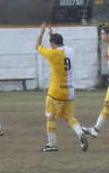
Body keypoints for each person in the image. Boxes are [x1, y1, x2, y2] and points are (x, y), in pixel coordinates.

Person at [35, 22, 88, 152]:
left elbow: (37, 46)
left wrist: (42, 32)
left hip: (56, 91)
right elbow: (59, 47)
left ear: (52, 44)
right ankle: (80, 133)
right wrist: (52, 35)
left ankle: (52, 144)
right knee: (69, 116)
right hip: (70, 91)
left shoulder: (53, 54)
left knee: (51, 116)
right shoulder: (70, 50)